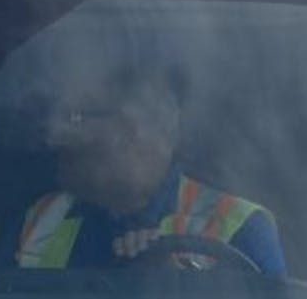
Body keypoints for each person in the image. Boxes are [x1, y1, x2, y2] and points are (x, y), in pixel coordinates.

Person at [15, 61, 286, 274]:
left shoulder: (241, 227)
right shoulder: (44, 216)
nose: (55, 136)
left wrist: (177, 291)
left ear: (136, 129)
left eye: (76, 118)